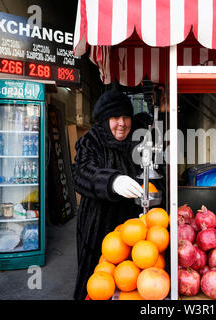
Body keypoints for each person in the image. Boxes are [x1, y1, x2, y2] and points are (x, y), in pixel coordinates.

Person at [71, 88, 150, 300]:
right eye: (115, 118)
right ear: (105, 119)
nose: (122, 123)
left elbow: (155, 173)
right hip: (99, 225)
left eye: (125, 117)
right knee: (98, 282)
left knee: (132, 284)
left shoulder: (140, 137)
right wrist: (111, 181)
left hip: (135, 225)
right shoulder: (92, 140)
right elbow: (80, 173)